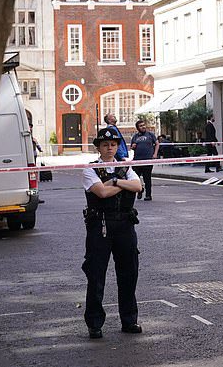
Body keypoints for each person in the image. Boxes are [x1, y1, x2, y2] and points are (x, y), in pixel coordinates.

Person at [81, 127, 144, 339]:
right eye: (106, 145)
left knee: (129, 274)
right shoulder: (90, 169)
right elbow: (101, 192)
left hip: (125, 225)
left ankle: (129, 320)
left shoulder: (125, 167)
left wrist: (115, 181)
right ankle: (95, 323)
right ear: (98, 147)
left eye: (114, 145)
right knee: (96, 275)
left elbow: (138, 186)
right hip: (100, 227)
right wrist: (121, 185)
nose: (110, 148)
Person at [130, 119, 159, 201]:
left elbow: (157, 144)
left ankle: (148, 195)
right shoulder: (135, 137)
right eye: (141, 126)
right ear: (137, 128)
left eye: (143, 125)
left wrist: (155, 154)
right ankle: (140, 190)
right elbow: (131, 147)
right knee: (136, 178)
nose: (143, 127)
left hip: (148, 160)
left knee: (147, 178)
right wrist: (133, 147)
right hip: (137, 160)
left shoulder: (150, 135)